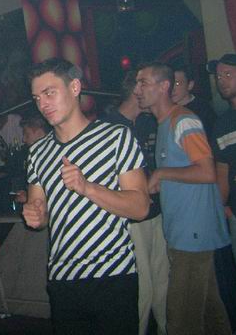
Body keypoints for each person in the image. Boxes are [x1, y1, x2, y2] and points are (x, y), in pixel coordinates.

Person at [23, 58, 149, 335]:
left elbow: (141, 207)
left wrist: (88, 187)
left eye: (49, 93)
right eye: (37, 98)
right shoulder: (37, 152)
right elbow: (40, 212)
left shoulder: (116, 137)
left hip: (113, 275)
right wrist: (36, 215)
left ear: (75, 87)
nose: (43, 103)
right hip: (62, 280)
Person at [135, 61, 231, 335]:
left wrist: (162, 173)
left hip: (194, 232)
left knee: (181, 319)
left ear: (164, 86)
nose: (137, 89)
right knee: (209, 309)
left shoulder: (184, 120)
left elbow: (207, 172)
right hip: (183, 231)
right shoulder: (165, 124)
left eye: (143, 83)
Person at [102, 71, 167, 335]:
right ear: (135, 91)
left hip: (157, 212)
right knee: (143, 286)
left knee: (162, 281)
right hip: (131, 220)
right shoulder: (108, 128)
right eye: (145, 86)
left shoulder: (149, 122)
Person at [208, 53, 236, 300]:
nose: (221, 80)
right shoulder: (221, 125)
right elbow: (221, 174)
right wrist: (223, 208)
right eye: (219, 76)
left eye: (228, 74)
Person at [171, 64, 217, 138]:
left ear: (190, 85)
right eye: (170, 84)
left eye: (177, 83)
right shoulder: (167, 109)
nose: (172, 89)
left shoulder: (203, 110)